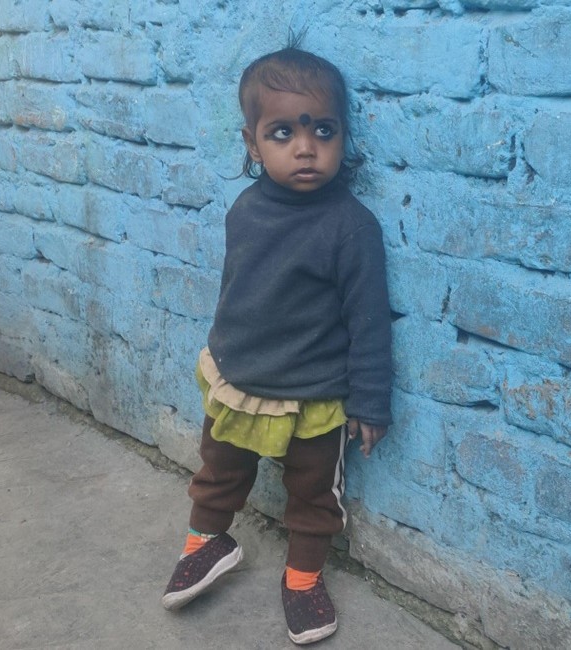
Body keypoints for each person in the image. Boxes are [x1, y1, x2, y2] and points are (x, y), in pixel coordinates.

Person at [160, 45, 392, 646]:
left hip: (314, 396)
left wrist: (370, 401)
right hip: (239, 382)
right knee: (217, 471)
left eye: (323, 130)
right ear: (252, 143)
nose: (305, 147)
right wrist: (225, 355)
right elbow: (237, 289)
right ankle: (205, 542)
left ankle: (303, 578)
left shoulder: (351, 228)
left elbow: (369, 322)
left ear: (343, 136)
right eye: (283, 132)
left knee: (313, 495)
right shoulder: (245, 210)